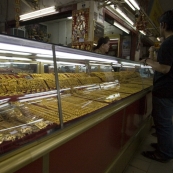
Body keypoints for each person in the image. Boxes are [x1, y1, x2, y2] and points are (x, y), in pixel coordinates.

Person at [140, 9, 173, 163]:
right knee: (164, 122)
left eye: (160, 25)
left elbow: (164, 68)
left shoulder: (168, 43)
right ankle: (164, 146)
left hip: (165, 90)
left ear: (163, 25)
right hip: (169, 90)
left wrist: (147, 60)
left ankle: (164, 153)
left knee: (163, 123)